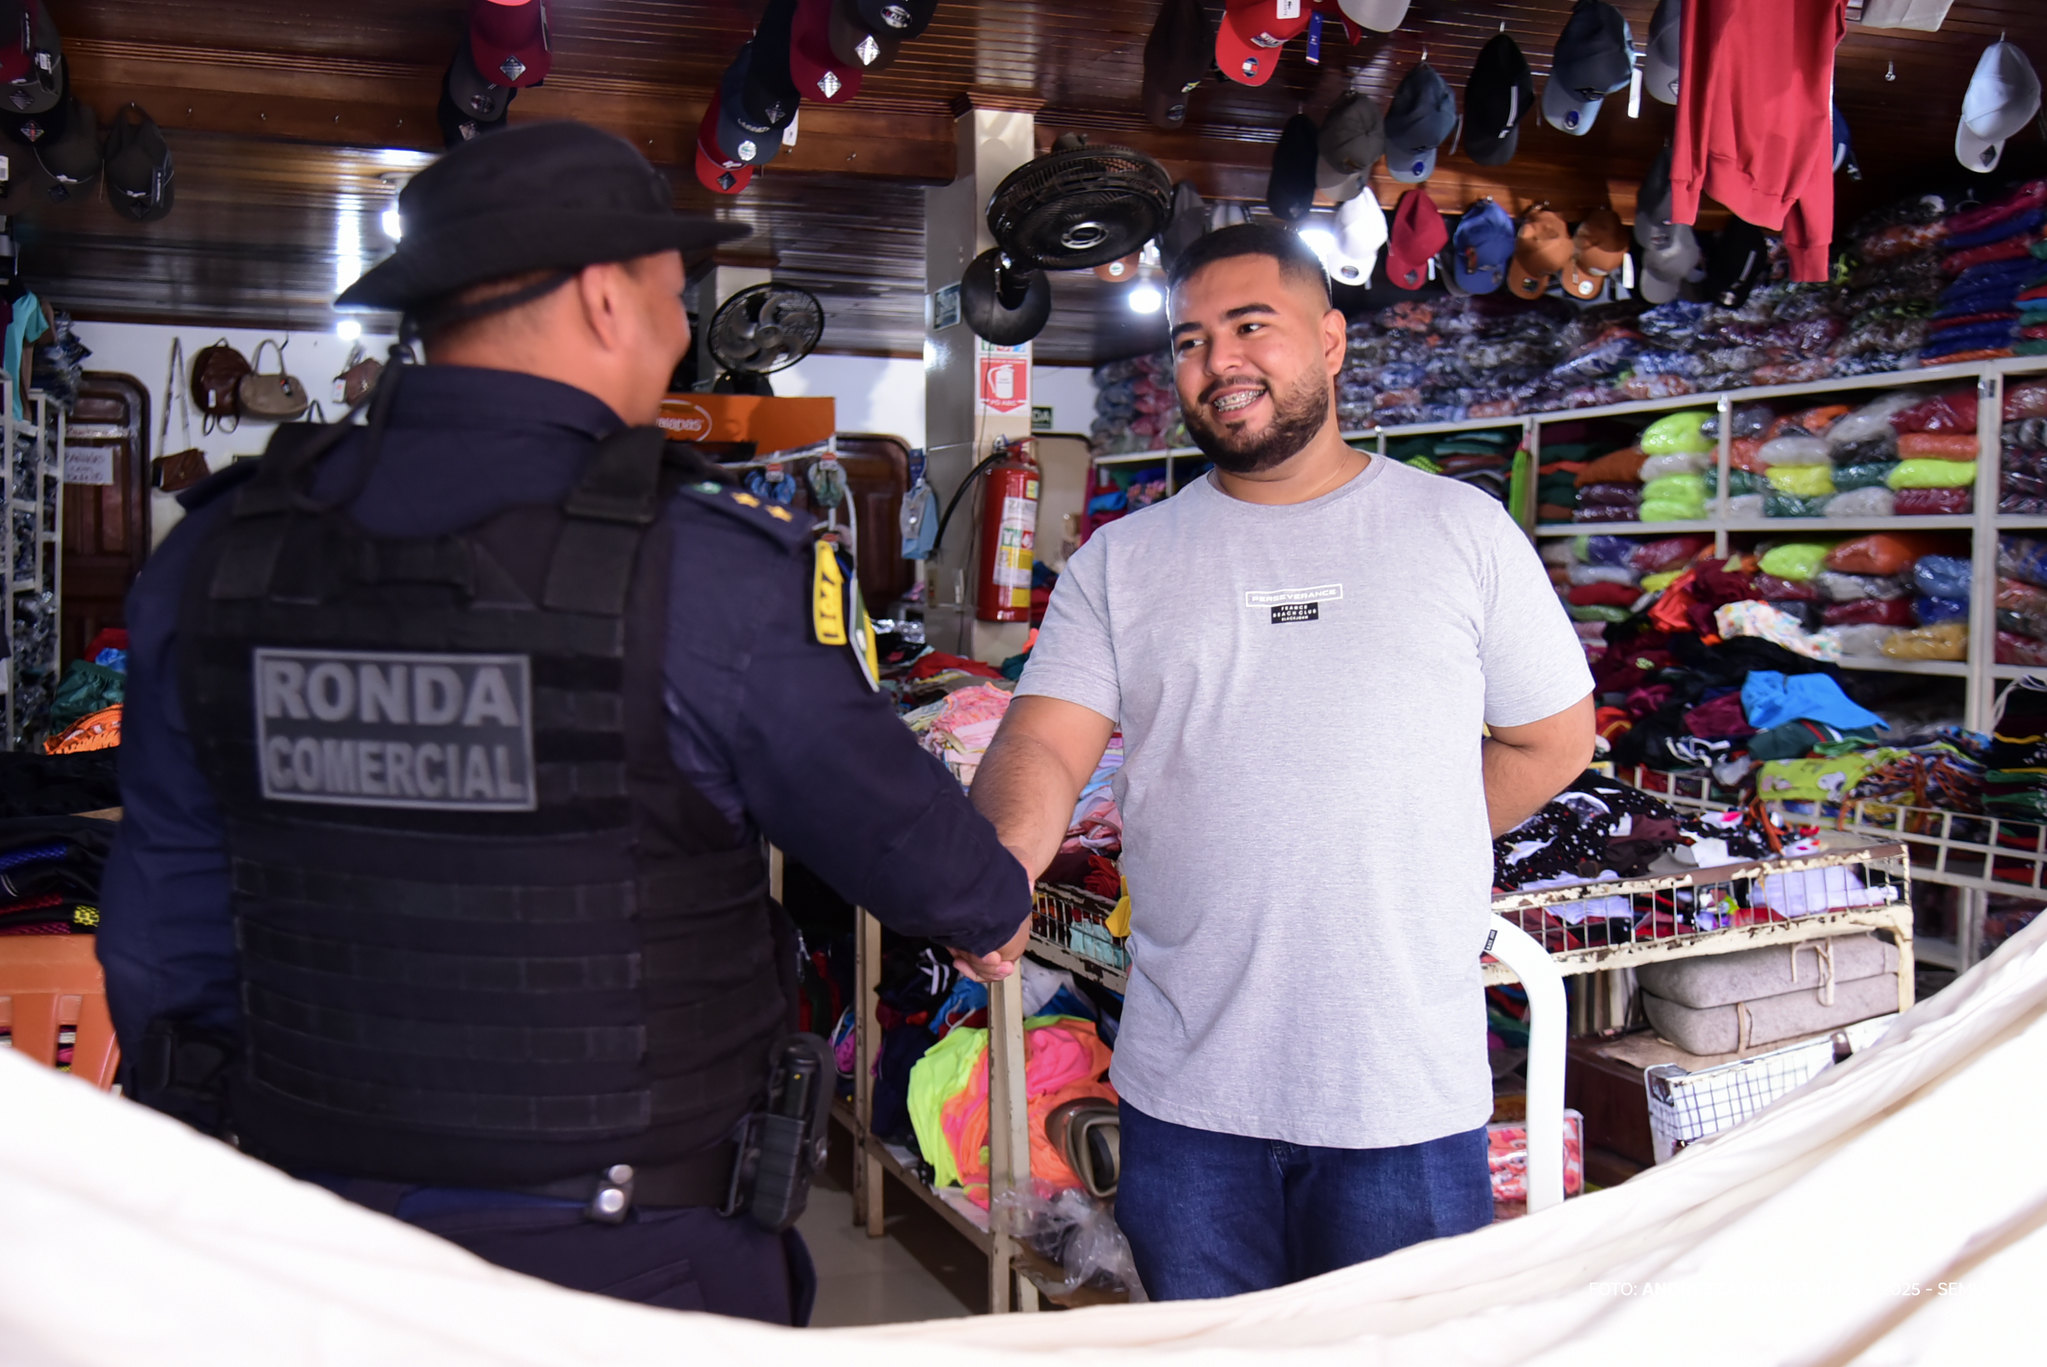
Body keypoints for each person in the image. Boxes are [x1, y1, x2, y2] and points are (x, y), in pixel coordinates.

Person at [96, 120, 1033, 1326]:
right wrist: (991, 904)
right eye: (669, 291)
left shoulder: (220, 552)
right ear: (602, 300)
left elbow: (163, 920)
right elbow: (921, 857)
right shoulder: (707, 570)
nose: (686, 326)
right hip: (628, 1262)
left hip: (301, 1238)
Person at [969, 223, 1595, 1299]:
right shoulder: (1125, 562)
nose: (1219, 363)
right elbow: (1040, 737)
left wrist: (1401, 828)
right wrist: (996, 867)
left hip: (1402, 1092)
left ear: (1333, 340)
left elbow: (1553, 736)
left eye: (1252, 326)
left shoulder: (1460, 530)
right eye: (1190, 341)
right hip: (1189, 1097)